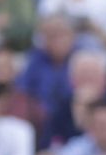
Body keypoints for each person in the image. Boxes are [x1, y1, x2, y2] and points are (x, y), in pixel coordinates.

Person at [17, 13, 76, 143]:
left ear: (72, 36)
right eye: (51, 36)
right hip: (42, 123)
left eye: (61, 34)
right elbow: (22, 91)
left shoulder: (83, 57)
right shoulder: (35, 60)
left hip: (74, 120)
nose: (57, 40)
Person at [38, 0, 106, 53]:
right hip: (60, 63)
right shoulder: (51, 0)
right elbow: (40, 40)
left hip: (101, 60)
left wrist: (93, 28)